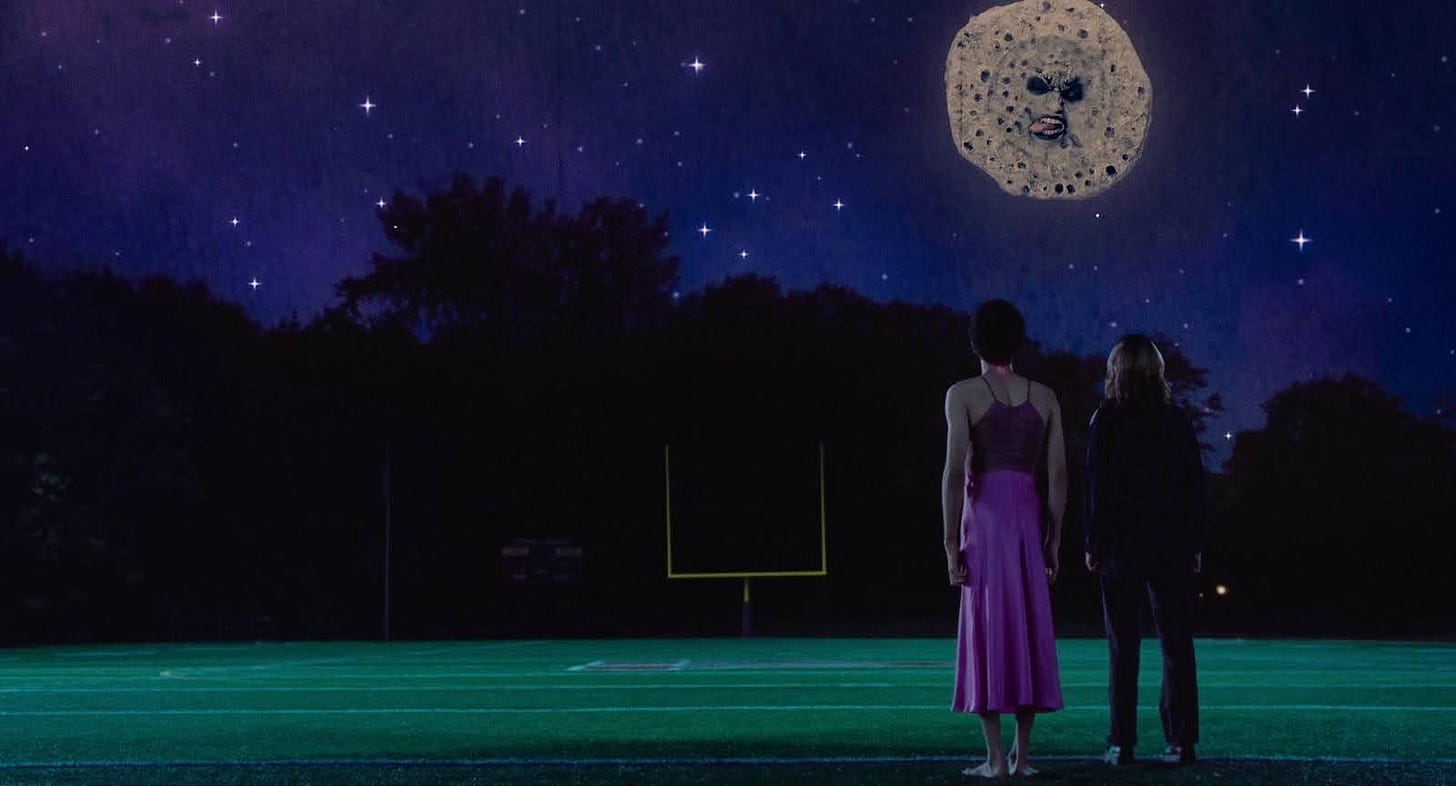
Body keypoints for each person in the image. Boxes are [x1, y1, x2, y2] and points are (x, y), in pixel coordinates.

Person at [942, 299, 1066, 779]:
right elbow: (1058, 474)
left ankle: (994, 758)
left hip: (987, 520)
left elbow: (954, 473)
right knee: (1028, 627)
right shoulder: (1046, 396)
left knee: (987, 629)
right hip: (1026, 518)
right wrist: (1054, 538)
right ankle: (1023, 756)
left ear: (975, 340)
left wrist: (950, 543)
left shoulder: (963, 394)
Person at [1084, 334, 1206, 767]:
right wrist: (1194, 543)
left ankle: (1122, 743)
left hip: (1122, 545)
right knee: (1176, 644)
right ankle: (1182, 740)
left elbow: (1097, 486)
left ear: (1117, 369)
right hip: (1170, 544)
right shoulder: (1175, 419)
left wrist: (1093, 542)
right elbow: (1194, 486)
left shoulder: (1108, 418)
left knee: (1124, 646)